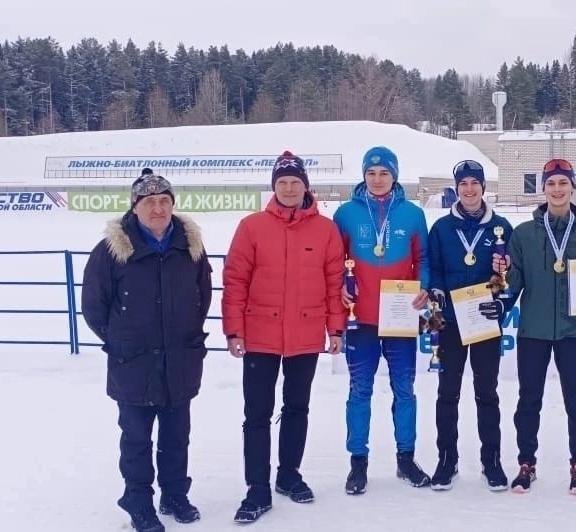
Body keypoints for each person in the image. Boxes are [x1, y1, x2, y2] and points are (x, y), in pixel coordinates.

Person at [81, 174, 213, 532]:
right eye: (149, 202)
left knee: (176, 435)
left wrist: (183, 336)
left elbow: (202, 297)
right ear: (134, 206)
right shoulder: (111, 251)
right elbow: (94, 306)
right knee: (137, 439)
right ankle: (138, 501)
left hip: (179, 360)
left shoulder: (190, 246)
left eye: (164, 201)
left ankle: (174, 494)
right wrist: (122, 340)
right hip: (133, 363)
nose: (157, 208)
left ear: (172, 204)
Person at [222, 151, 347, 523]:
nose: (289, 188)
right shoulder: (251, 227)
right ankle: (257, 487)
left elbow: (334, 282)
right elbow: (235, 280)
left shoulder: (325, 230)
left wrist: (335, 328)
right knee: (256, 414)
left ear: (306, 186)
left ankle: (289, 474)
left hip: (306, 333)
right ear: (274, 187)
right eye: (282, 183)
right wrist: (233, 330)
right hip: (259, 334)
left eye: (295, 182)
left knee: (297, 408)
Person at [490, 158, 576, 495]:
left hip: (574, 332)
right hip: (533, 331)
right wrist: (503, 272)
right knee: (529, 400)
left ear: (572, 187)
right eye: (551, 183)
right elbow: (513, 284)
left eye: (563, 183)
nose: (557, 189)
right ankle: (527, 463)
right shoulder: (524, 233)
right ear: (544, 188)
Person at [332, 146, 432, 494]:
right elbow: (334, 262)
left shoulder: (412, 214)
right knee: (360, 391)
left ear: (395, 176)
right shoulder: (345, 214)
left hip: (400, 316)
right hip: (360, 319)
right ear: (363, 175)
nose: (377, 179)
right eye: (371, 173)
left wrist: (425, 288)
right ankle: (357, 462)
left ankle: (406, 458)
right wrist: (337, 290)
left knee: (405, 391)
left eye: (384, 173)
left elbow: (424, 258)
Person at [424, 159, 518, 491]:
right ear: (456, 188)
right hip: (450, 321)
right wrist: (435, 290)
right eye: (462, 184)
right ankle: (446, 461)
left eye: (474, 183)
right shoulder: (441, 228)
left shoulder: (502, 227)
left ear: (483, 187)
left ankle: (491, 460)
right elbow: (432, 267)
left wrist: (501, 297)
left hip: (483, 321)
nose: (468, 189)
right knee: (447, 394)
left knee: (486, 393)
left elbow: (509, 276)